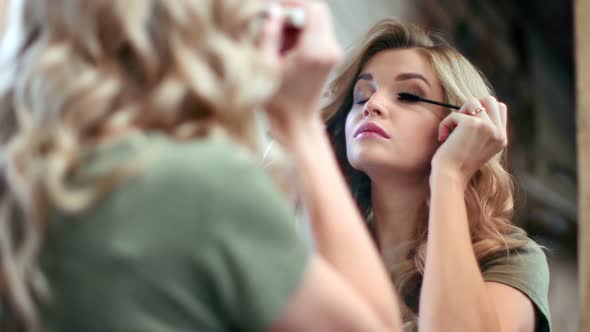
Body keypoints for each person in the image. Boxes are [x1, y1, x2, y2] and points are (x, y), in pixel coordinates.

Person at [0, 1, 403, 331]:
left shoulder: (20, 180)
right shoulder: (197, 183)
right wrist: (298, 123)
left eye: (409, 96)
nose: (374, 106)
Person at [323, 19, 551, 332]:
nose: (372, 105)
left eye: (407, 96)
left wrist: (450, 174)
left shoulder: (508, 258)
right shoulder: (323, 252)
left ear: (457, 124)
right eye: (361, 96)